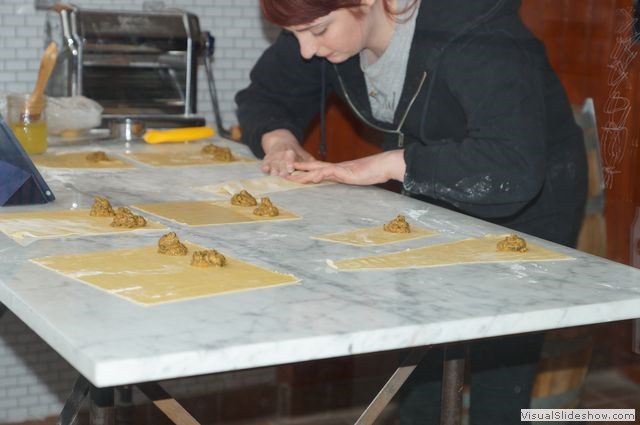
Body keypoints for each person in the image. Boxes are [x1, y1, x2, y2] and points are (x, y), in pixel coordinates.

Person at [235, 0, 588, 423]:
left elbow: (511, 167)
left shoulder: (475, 28)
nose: (307, 50)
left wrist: (386, 164)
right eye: (296, 36)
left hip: (528, 196)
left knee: (502, 368)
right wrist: (279, 140)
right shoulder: (323, 28)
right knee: (421, 360)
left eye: (318, 31)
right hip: (435, 184)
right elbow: (266, 94)